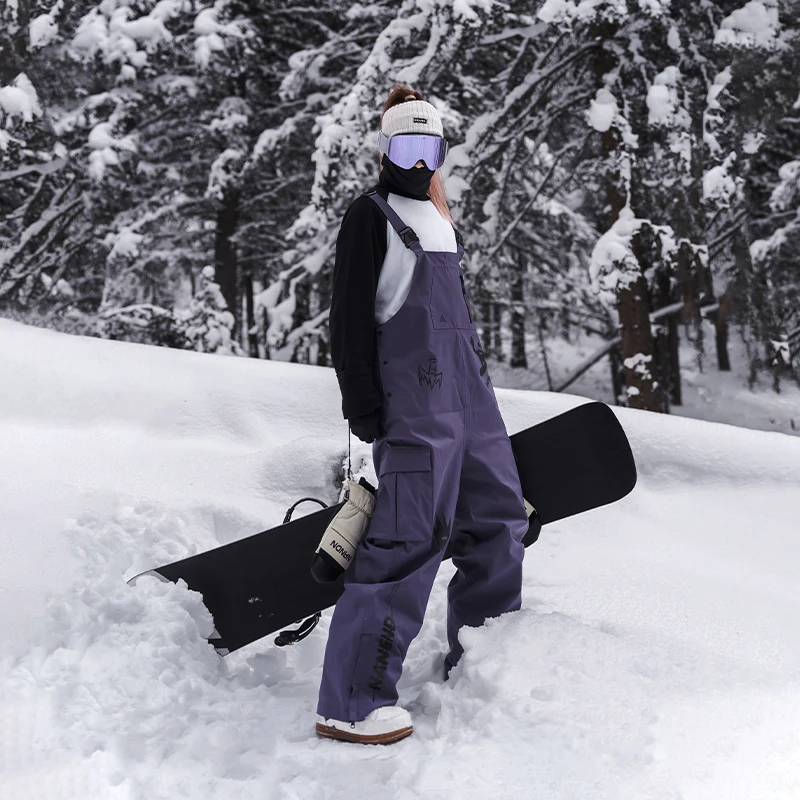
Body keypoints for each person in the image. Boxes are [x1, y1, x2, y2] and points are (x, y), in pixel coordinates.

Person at [316, 85, 529, 745]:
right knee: (407, 541)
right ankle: (351, 703)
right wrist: (362, 402)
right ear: (386, 148)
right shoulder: (371, 215)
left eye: (427, 148)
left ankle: (483, 661)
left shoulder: (439, 219)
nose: (416, 160)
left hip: (471, 404)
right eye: (405, 146)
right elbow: (349, 318)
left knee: (499, 522)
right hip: (414, 408)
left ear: (439, 152)